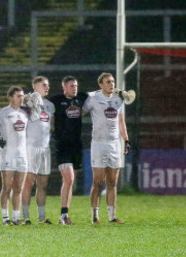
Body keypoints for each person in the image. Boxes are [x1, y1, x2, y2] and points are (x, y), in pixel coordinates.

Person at [83, 72, 130, 224]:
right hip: (98, 143)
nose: (112, 84)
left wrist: (126, 140)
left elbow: (121, 121)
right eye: (108, 82)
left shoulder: (118, 100)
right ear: (101, 85)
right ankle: (94, 216)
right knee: (97, 182)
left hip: (114, 144)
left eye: (113, 82)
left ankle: (112, 216)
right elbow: (80, 112)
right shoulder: (93, 99)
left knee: (112, 182)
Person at [48, 75, 89, 225]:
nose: (75, 89)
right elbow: (42, 106)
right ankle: (63, 215)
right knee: (69, 178)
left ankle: (65, 215)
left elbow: (95, 94)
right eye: (72, 86)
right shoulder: (56, 100)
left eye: (76, 86)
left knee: (70, 181)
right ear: (64, 87)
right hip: (62, 145)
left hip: (76, 145)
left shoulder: (82, 98)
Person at [22, 76, 54, 225]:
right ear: (35, 87)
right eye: (44, 85)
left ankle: (41, 218)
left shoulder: (50, 106)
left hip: (45, 148)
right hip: (31, 147)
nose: (47, 87)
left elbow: (50, 126)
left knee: (43, 183)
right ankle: (25, 216)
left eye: (48, 85)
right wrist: (26, 99)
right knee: (29, 182)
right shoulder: (27, 102)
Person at [0, 86, 29, 226]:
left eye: (22, 96)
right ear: (10, 97)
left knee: (18, 188)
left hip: (22, 154)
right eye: (18, 96)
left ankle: (16, 217)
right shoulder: (2, 113)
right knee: (7, 187)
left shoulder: (25, 113)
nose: (21, 98)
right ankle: (5, 217)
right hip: (8, 154)